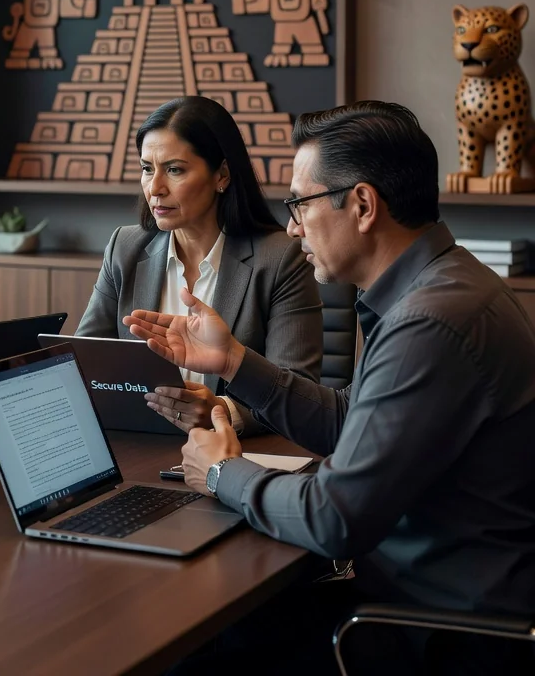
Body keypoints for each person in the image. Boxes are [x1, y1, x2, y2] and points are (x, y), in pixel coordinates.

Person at [126, 101, 535, 674]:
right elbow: (352, 423)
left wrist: (222, 472)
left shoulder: (432, 320)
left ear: (362, 205)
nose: (292, 226)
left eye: (300, 203)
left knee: (190, 647)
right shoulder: (443, 284)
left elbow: (335, 517)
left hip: (433, 630)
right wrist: (236, 361)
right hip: (418, 596)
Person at [74, 96, 322, 436]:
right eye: (147, 168)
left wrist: (223, 412)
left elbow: (300, 392)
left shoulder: (280, 258)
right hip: (137, 443)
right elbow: (83, 362)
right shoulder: (125, 247)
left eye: (174, 170)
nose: (155, 188)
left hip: (236, 455)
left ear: (221, 174)